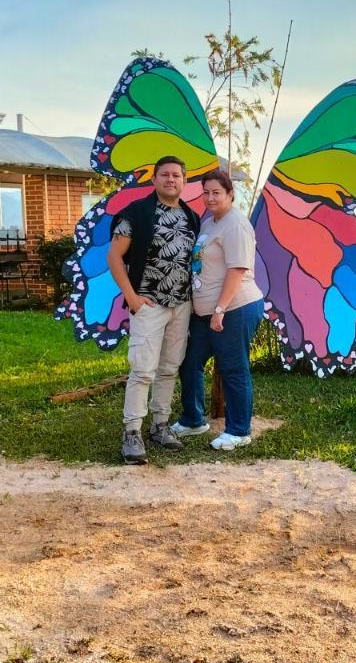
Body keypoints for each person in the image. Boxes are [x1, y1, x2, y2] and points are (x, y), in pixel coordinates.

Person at [107, 155, 201, 464]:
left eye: (176, 175)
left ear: (184, 181)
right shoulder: (136, 214)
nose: (171, 179)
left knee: (169, 368)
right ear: (154, 179)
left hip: (181, 304)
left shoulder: (191, 216)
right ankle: (132, 431)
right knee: (143, 369)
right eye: (165, 174)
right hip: (148, 303)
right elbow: (114, 257)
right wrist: (132, 298)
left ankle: (161, 425)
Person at [170, 169, 265, 451]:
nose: (210, 198)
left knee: (233, 367)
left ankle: (238, 430)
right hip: (206, 310)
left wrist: (220, 309)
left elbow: (237, 270)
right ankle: (193, 419)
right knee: (189, 361)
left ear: (230, 194)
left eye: (217, 193)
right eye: (206, 192)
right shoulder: (210, 221)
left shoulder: (235, 224)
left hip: (234, 307)